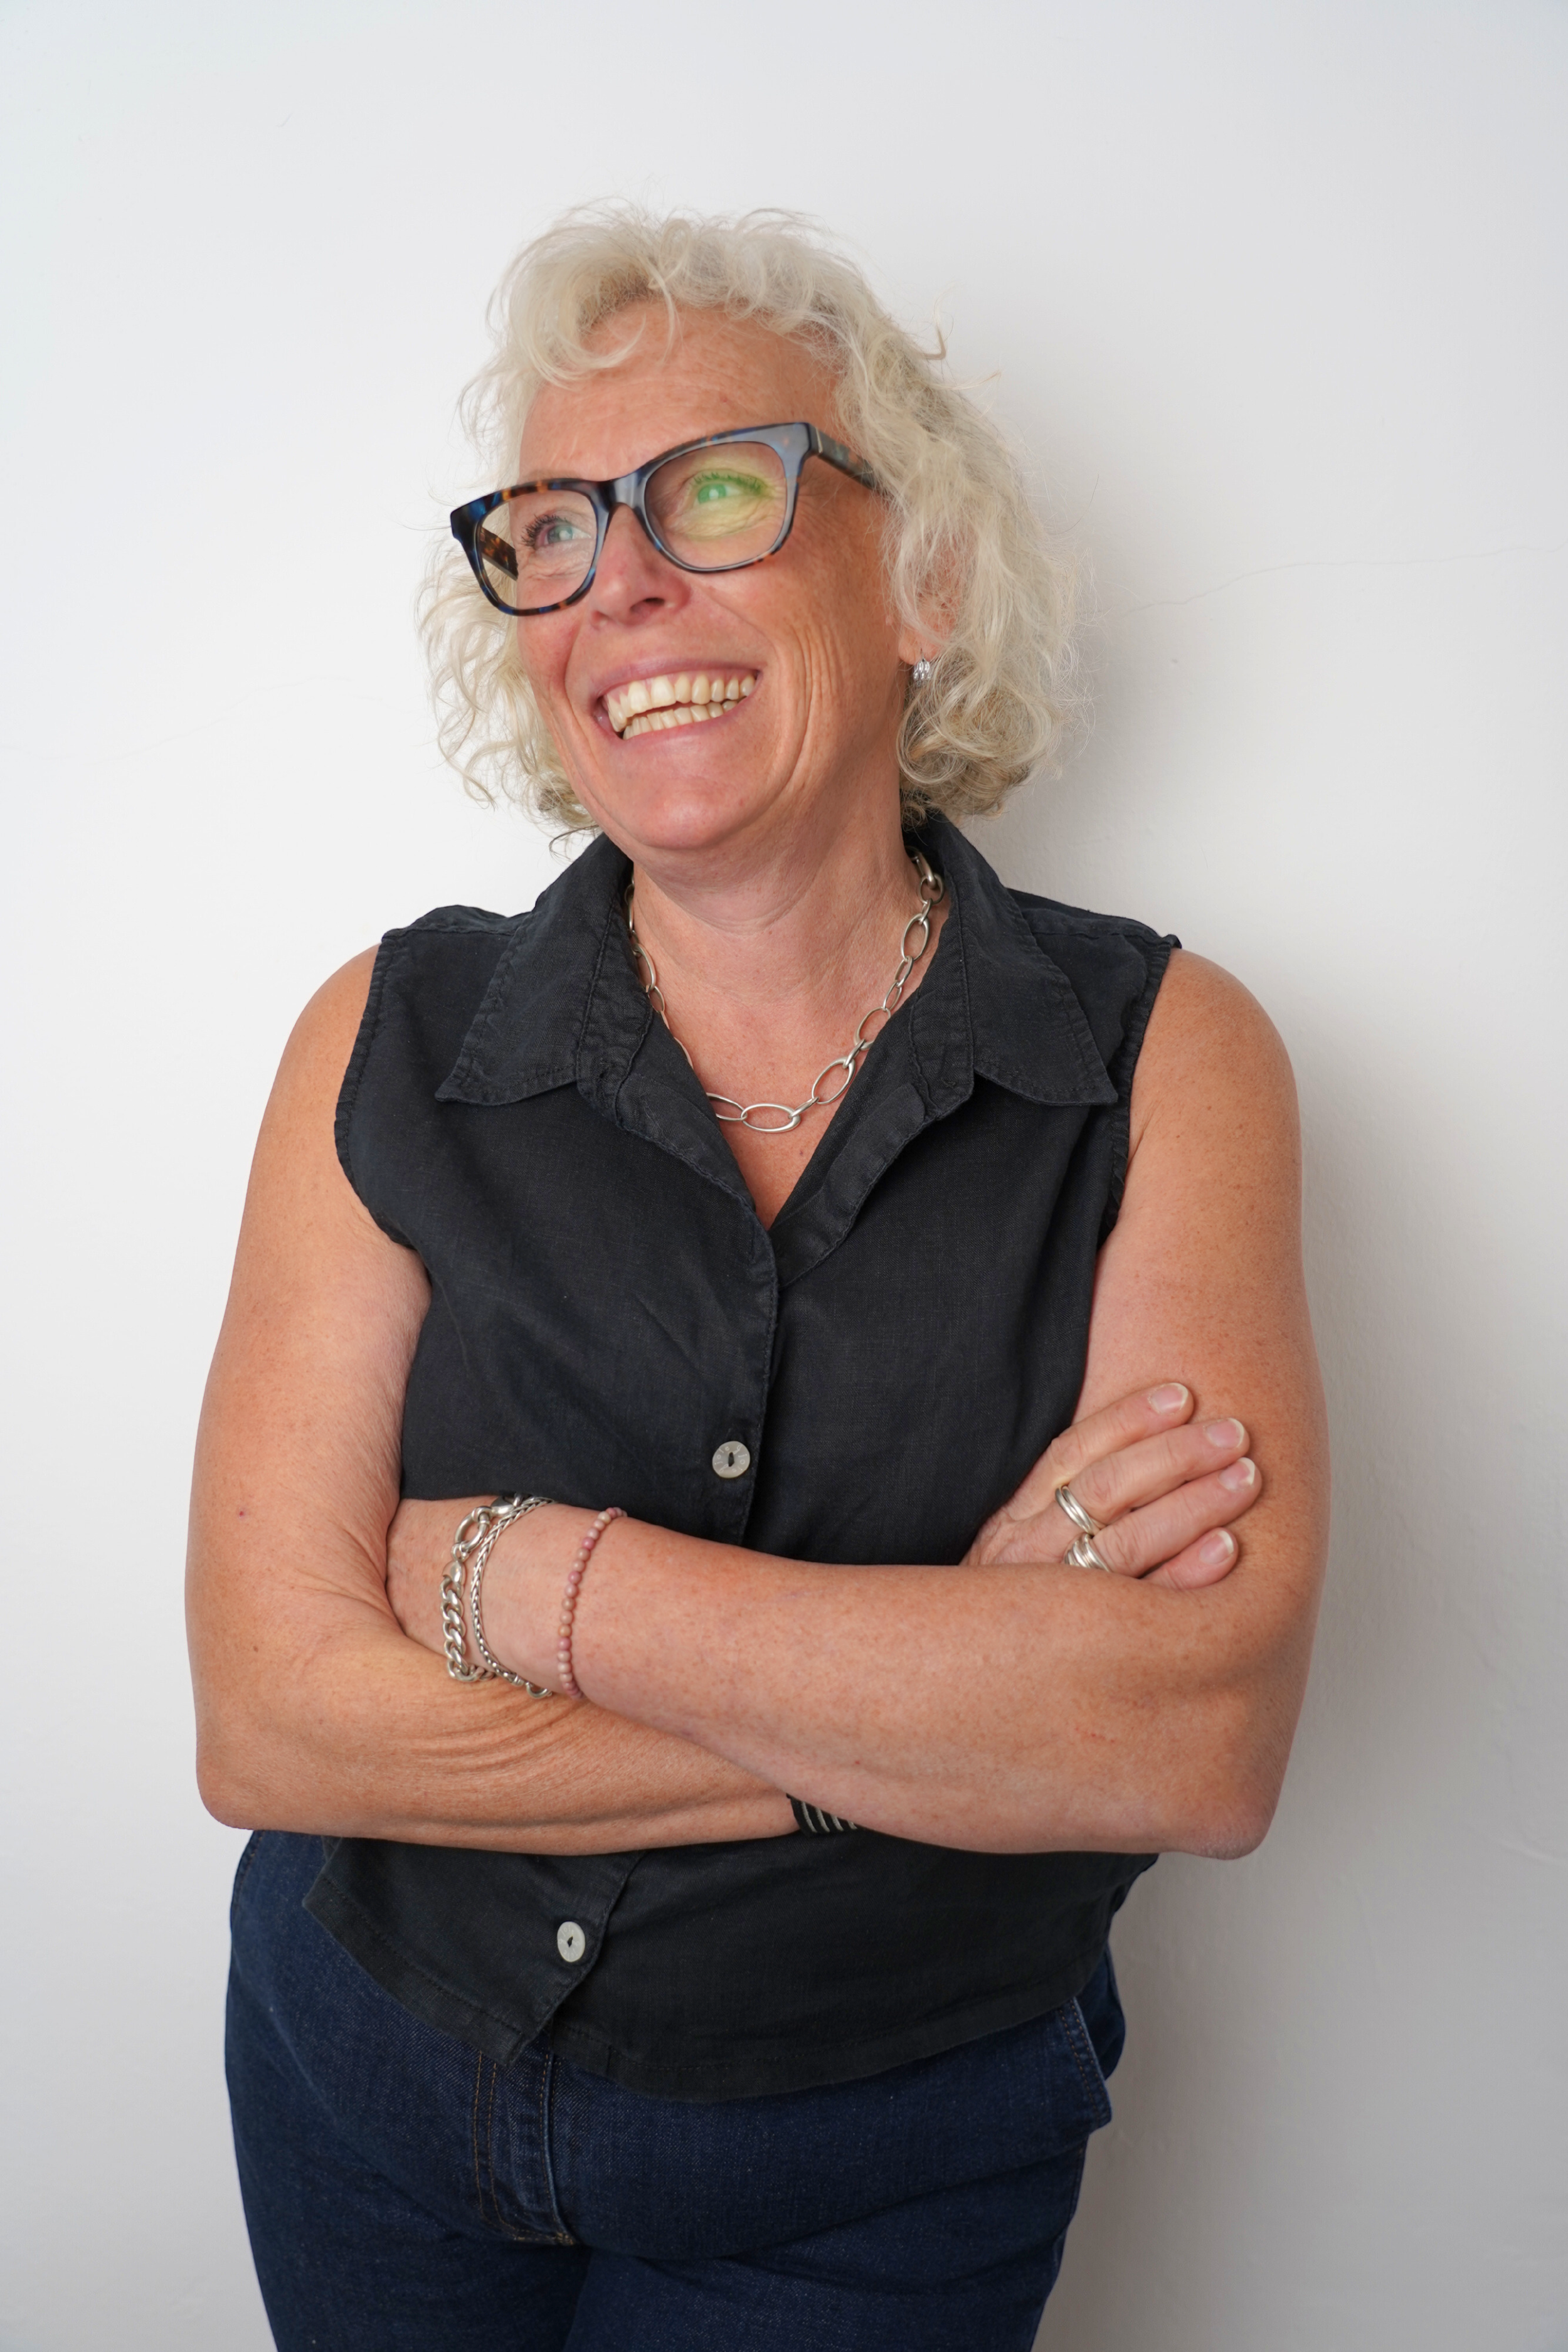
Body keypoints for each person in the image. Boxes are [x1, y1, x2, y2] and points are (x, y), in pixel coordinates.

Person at [187, 206, 1328, 2352]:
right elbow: (269, 1719)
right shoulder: (387, 1032)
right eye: (548, 525)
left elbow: (1187, 1743)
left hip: (869, 2178)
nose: (616, 576)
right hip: (363, 2084)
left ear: (925, 582)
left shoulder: (1169, 1059)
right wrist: (960, 1699)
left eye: (714, 487)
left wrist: (527, 1583)